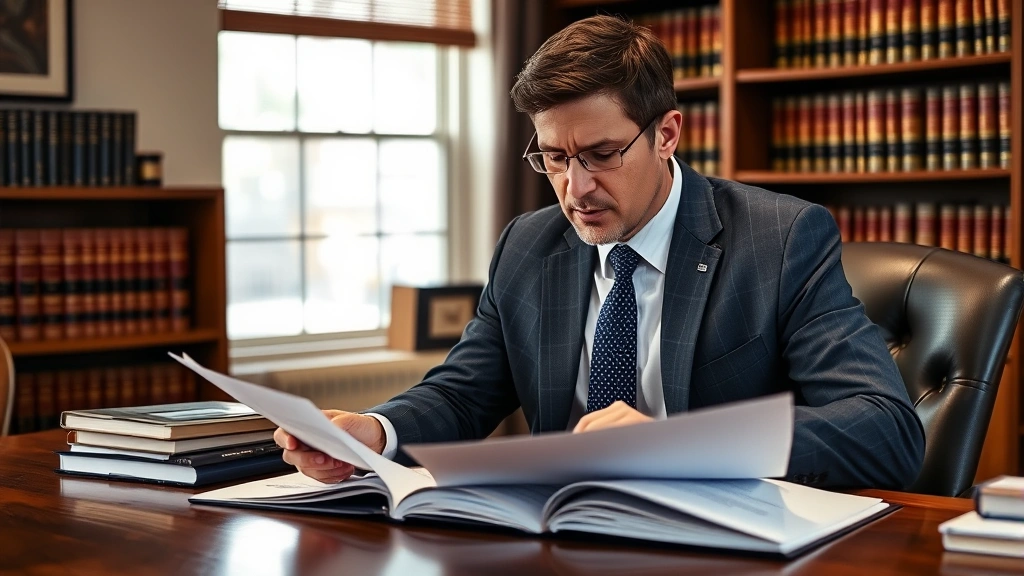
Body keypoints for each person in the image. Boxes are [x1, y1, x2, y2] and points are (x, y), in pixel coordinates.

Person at [275, 15, 925, 489]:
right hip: (565, 536)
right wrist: (375, 433)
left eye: (602, 155)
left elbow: (885, 431)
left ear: (667, 133)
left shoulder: (780, 240)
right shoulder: (528, 245)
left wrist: (672, 445)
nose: (575, 188)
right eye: (554, 158)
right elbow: (462, 395)